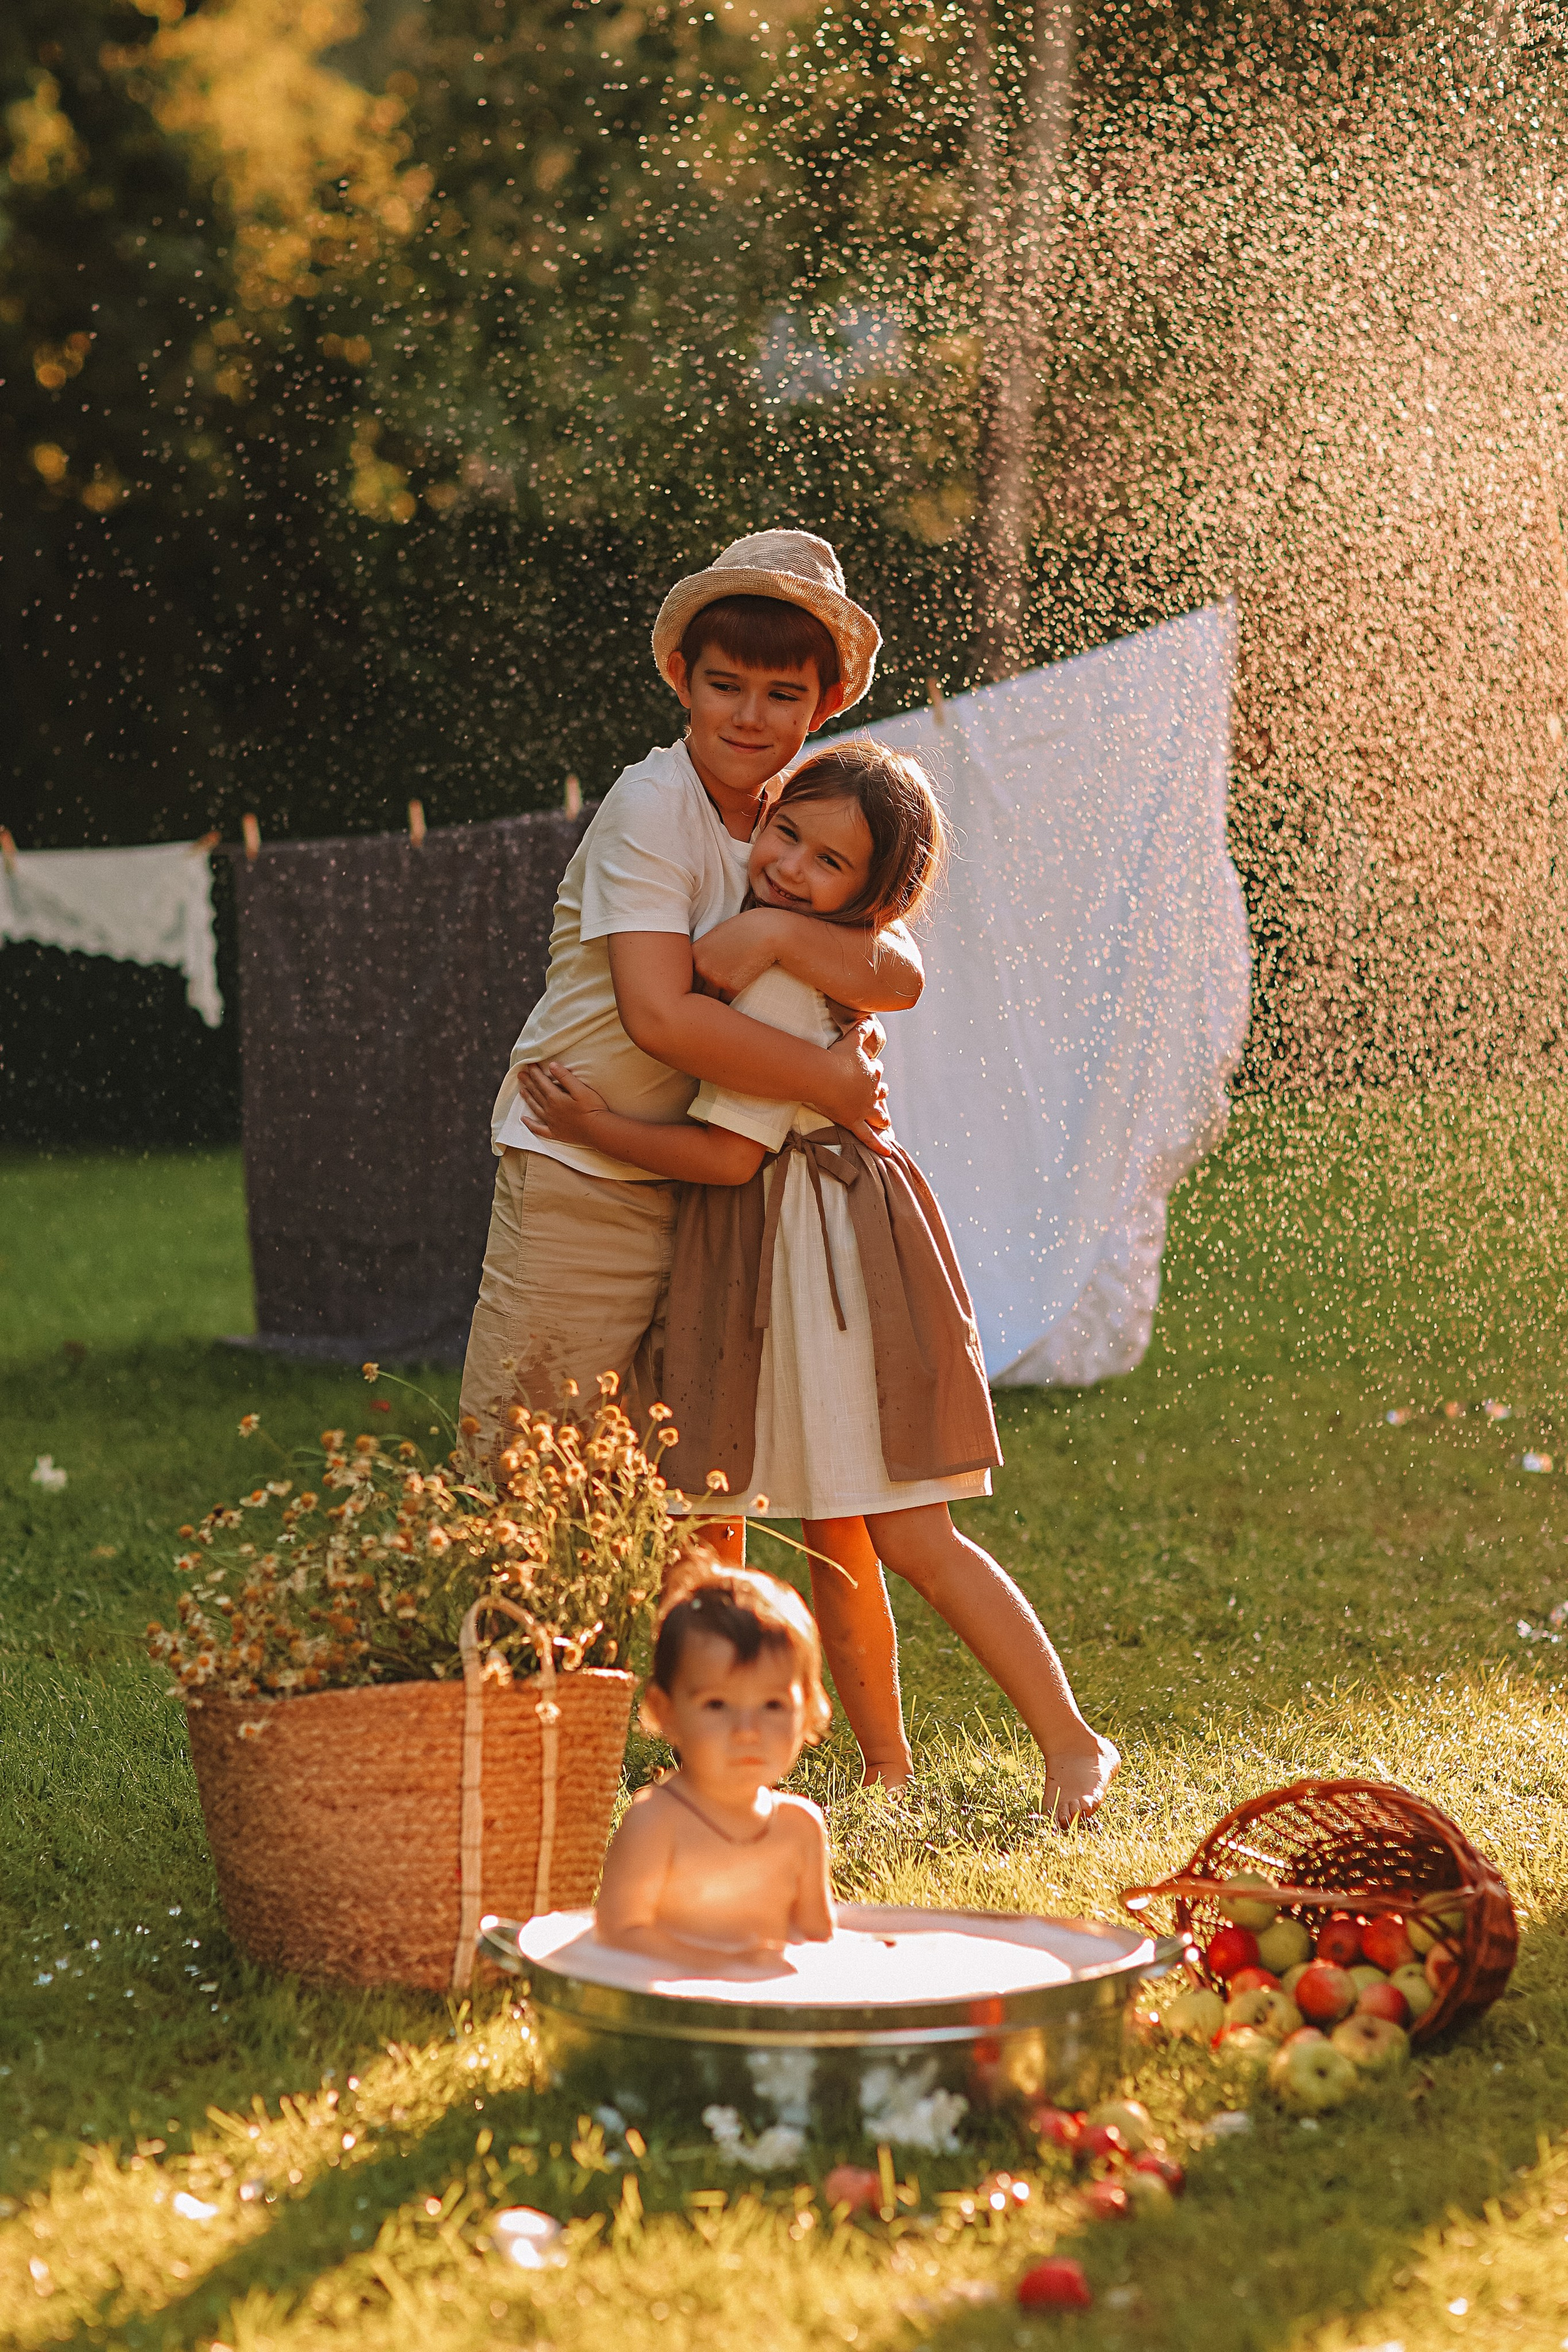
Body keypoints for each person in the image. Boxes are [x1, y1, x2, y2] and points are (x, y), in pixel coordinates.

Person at [517, 741, 1120, 1828]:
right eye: (787, 833)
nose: (791, 867)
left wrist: (599, 1128)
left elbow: (727, 1158)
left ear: (870, 894)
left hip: (817, 1257)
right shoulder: (792, 940)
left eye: (828, 863)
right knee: (801, 1530)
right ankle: (872, 1766)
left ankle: (1070, 1740)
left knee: (891, 1532)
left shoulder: (787, 978)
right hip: (775, 1248)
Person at [458, 530, 925, 1580]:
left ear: (825, 704)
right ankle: (506, 1677)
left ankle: (686, 1680)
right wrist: (827, 1079)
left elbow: (898, 965)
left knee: (682, 1478)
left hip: (710, 1183)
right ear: (680, 676)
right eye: (725, 686)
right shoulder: (653, 806)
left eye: (781, 694)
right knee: (529, 1465)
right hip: (581, 1165)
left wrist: (775, 932)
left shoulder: (793, 818)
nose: (750, 717)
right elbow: (660, 1019)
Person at [594, 1559, 834, 1978]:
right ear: (665, 1712)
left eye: (772, 1705)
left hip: (766, 2004)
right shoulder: (657, 1822)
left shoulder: (800, 1827)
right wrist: (722, 1968)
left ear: (810, 1711)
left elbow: (818, 1940)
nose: (747, 1732)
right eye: (717, 1705)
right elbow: (618, 1932)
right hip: (672, 1998)